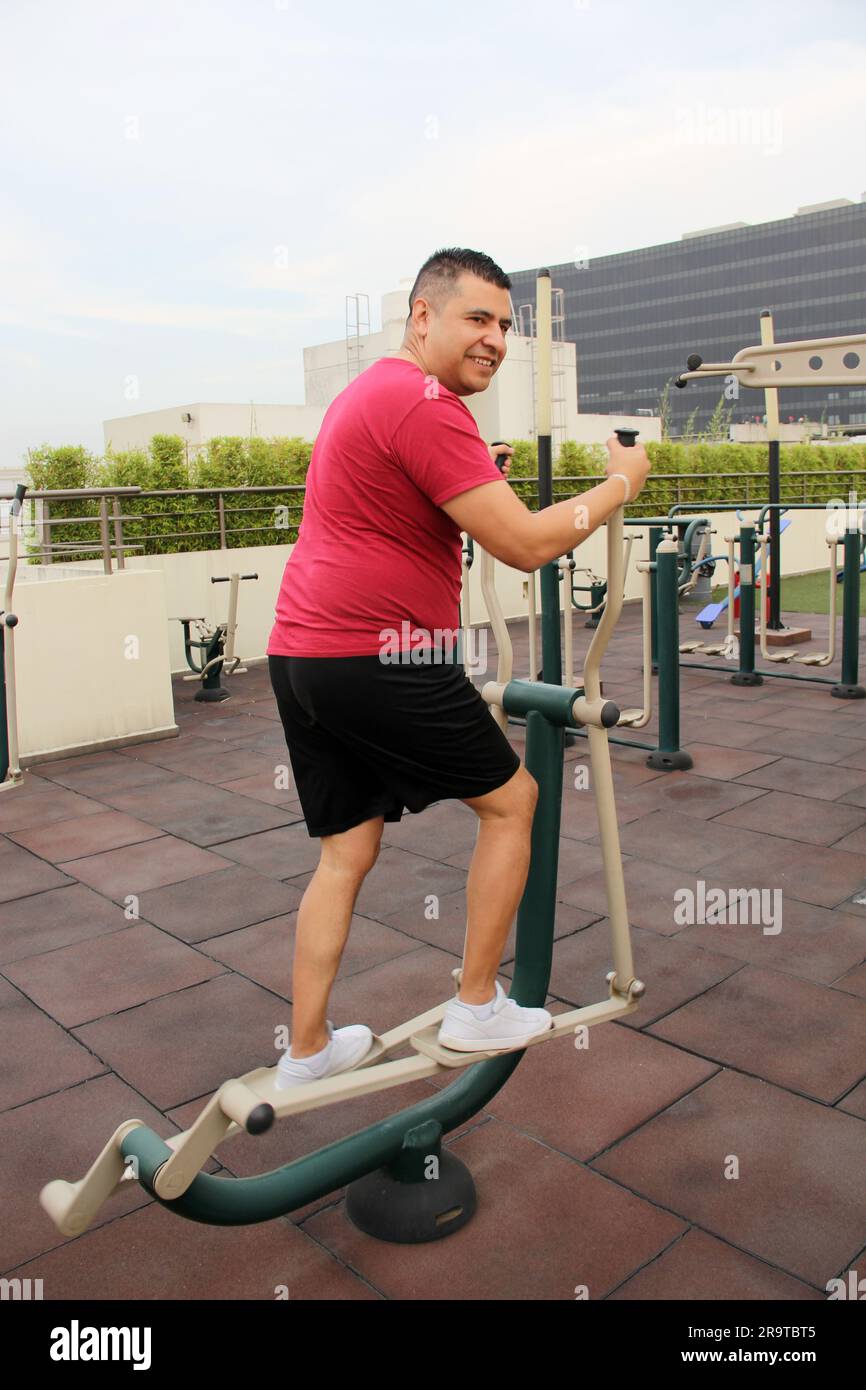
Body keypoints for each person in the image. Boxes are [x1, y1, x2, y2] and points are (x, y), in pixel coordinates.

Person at [266, 246, 651, 1088]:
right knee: (513, 803)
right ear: (421, 317)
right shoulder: (427, 404)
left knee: (345, 851)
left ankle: (304, 1050)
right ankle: (478, 1005)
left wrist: (485, 482)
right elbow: (522, 546)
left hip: (302, 652)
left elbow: (398, 508)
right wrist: (620, 485)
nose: (496, 340)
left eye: (505, 325)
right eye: (478, 318)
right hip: (379, 650)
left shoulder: (371, 394)